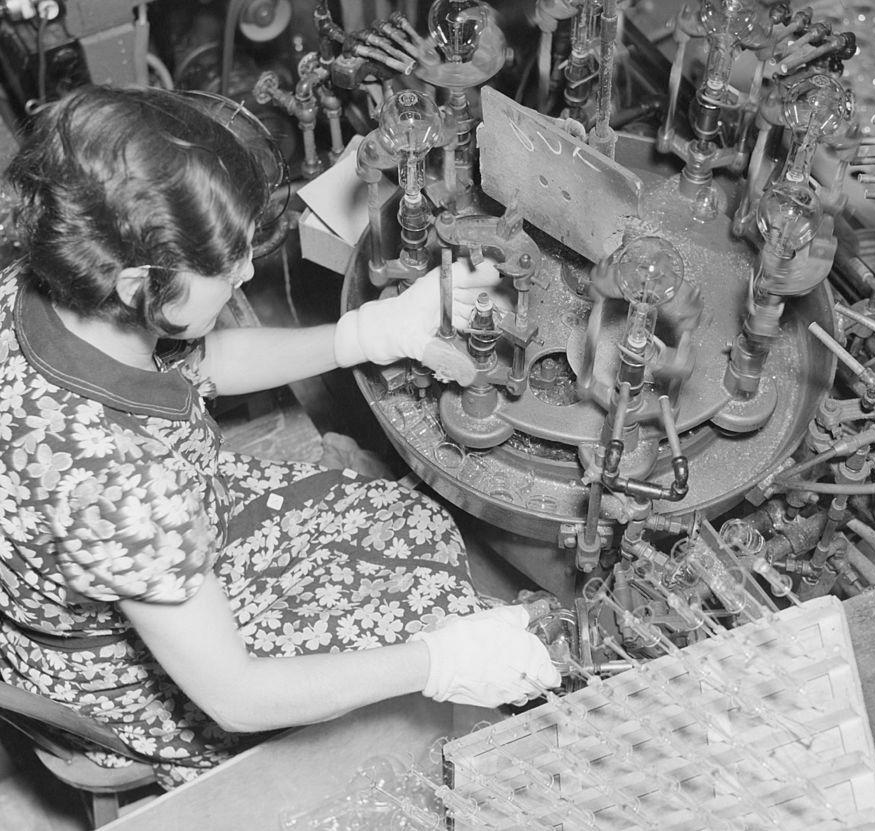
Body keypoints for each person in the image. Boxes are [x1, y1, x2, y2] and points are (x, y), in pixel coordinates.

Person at [0, 85, 559, 788]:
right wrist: (437, 660)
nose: (247, 273)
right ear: (141, 283)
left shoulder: (41, 286)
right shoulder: (123, 482)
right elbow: (237, 695)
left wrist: (367, 334)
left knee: (409, 519)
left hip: (122, 570)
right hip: (139, 682)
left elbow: (200, 365)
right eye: (226, 263)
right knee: (431, 605)